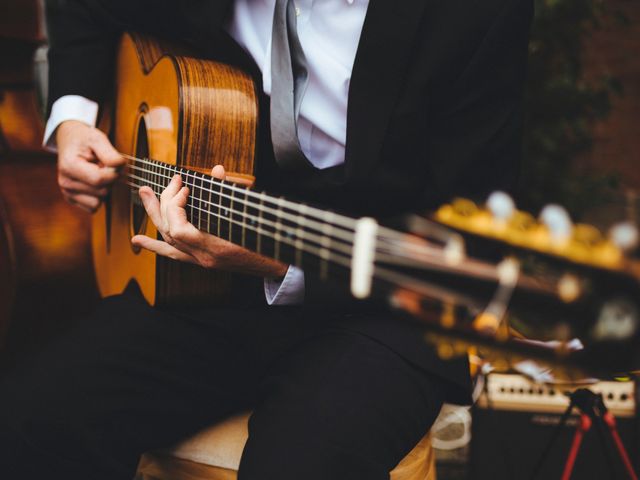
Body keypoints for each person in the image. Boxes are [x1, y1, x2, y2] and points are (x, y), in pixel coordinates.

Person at [0, 0, 533, 479]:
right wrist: (73, 118)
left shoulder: (473, 13)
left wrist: (281, 263)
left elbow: (467, 246)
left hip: (389, 305)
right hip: (213, 285)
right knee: (31, 420)